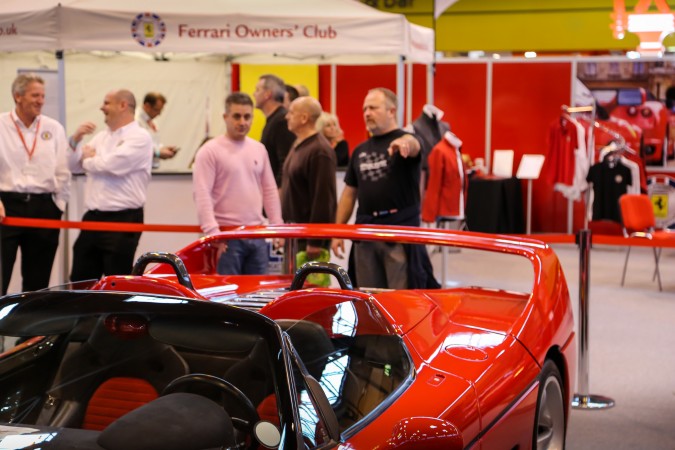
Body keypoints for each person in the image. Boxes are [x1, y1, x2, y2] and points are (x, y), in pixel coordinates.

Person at [331, 87, 437, 289]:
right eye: (364, 109)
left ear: (391, 111)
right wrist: (338, 230)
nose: (367, 113)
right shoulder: (360, 150)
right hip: (366, 234)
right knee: (367, 297)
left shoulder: (406, 141)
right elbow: (349, 193)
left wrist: (405, 142)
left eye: (373, 108)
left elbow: (414, 144)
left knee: (400, 297)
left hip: (398, 234)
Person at [68, 89, 153, 281]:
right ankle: (84, 312)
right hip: (93, 218)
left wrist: (90, 160)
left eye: (106, 103)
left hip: (123, 219)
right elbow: (73, 166)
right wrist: (76, 139)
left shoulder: (140, 137)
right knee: (81, 279)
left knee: (117, 282)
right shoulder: (101, 136)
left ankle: (117, 313)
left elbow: (114, 164)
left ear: (123, 105)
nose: (101, 107)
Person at [193, 92, 283, 275]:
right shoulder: (209, 151)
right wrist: (213, 233)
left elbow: (270, 190)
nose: (242, 122)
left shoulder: (259, 149)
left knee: (258, 296)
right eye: (236, 116)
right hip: (225, 237)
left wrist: (276, 227)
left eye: (247, 116)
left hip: (256, 234)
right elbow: (202, 193)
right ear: (225, 117)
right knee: (225, 298)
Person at [0, 73, 71, 295]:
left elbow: (63, 170)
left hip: (44, 207)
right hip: (6, 206)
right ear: (18, 96)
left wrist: (58, 205)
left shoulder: (54, 128)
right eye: (35, 95)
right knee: (1, 272)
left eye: (43, 96)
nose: (40, 100)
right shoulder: (1, 125)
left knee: (38, 277)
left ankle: (31, 329)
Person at [281, 96, 337, 260]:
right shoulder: (299, 145)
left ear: (304, 118)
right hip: (294, 234)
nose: (286, 116)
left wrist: (315, 240)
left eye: (291, 113)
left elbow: (323, 198)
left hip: (307, 240)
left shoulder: (319, 150)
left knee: (308, 285)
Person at [253, 74, 296, 186]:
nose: (254, 94)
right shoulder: (274, 120)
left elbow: (286, 163)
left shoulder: (281, 121)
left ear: (268, 94)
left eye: (257, 90)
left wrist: (277, 195)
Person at [135, 92, 178, 169]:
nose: (159, 113)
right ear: (147, 106)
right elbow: (136, 148)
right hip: (139, 168)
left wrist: (163, 149)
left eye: (160, 110)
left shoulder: (151, 121)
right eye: (156, 110)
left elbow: (153, 143)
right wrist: (158, 153)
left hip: (151, 167)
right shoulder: (135, 121)